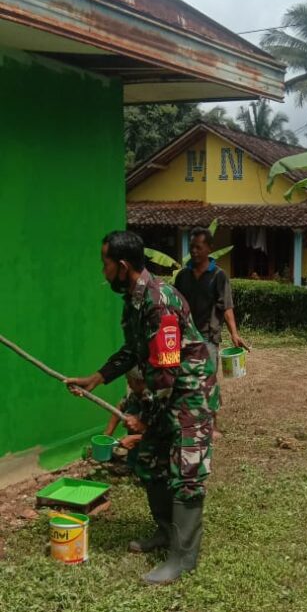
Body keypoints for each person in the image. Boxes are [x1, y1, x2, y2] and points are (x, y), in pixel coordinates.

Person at [67, 230, 216, 586]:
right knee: (150, 462)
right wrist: (97, 377)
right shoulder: (134, 299)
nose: (102, 272)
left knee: (186, 475)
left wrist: (144, 421)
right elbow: (134, 350)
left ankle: (183, 557)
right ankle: (166, 532)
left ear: (122, 266)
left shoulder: (159, 302)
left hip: (187, 396)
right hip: (164, 393)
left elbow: (166, 373)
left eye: (105, 264)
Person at [174, 227, 249, 436]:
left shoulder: (218, 276)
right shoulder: (183, 276)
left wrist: (234, 334)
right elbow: (176, 305)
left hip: (208, 337)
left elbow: (226, 307)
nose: (195, 251)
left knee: (209, 380)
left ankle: (213, 424)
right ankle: (189, 420)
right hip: (185, 337)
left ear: (209, 248)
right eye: (192, 247)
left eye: (199, 247)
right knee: (186, 379)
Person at [104, 368, 149, 473]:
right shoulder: (136, 393)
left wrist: (137, 437)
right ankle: (132, 464)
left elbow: (165, 431)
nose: (128, 384)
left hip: (165, 438)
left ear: (139, 381)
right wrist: (107, 434)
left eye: (129, 381)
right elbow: (120, 407)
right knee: (131, 414)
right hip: (149, 431)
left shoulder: (156, 397)